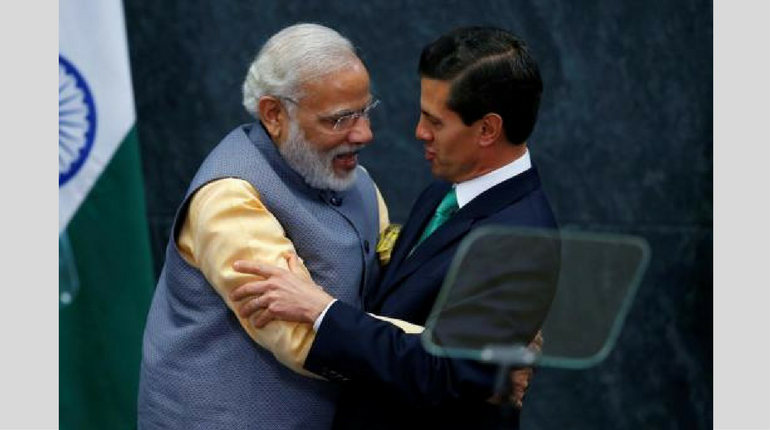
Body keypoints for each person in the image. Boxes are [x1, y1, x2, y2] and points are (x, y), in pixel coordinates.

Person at [230, 26, 559, 429]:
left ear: (487, 130)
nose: (419, 132)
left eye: (435, 122)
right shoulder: (444, 191)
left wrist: (320, 310)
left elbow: (445, 374)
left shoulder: (518, 238)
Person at [137, 23, 409, 429]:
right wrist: (459, 352)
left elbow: (391, 278)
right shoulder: (228, 198)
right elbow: (300, 337)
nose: (364, 134)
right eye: (339, 120)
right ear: (274, 114)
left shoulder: (358, 183)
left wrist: (479, 318)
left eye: (365, 111)